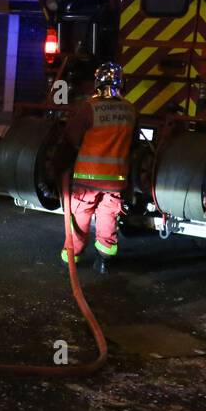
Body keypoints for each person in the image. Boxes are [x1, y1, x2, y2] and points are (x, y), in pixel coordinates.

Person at [60, 61, 136, 273]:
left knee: (80, 215)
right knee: (108, 216)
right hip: (116, 178)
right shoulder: (130, 110)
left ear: (98, 82)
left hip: (87, 177)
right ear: (121, 83)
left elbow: (72, 137)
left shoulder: (89, 108)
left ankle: (71, 255)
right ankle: (104, 259)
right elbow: (134, 143)